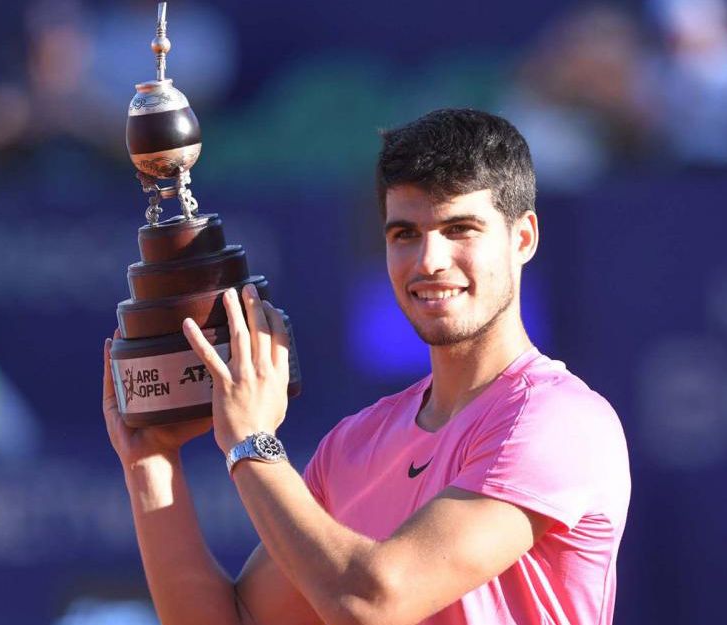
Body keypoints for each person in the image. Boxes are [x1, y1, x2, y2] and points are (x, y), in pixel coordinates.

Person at [101, 109, 631, 624]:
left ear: (523, 238)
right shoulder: (353, 446)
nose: (429, 261)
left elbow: (370, 603)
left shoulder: (559, 421)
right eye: (405, 234)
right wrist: (151, 463)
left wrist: (251, 441)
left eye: (460, 229)